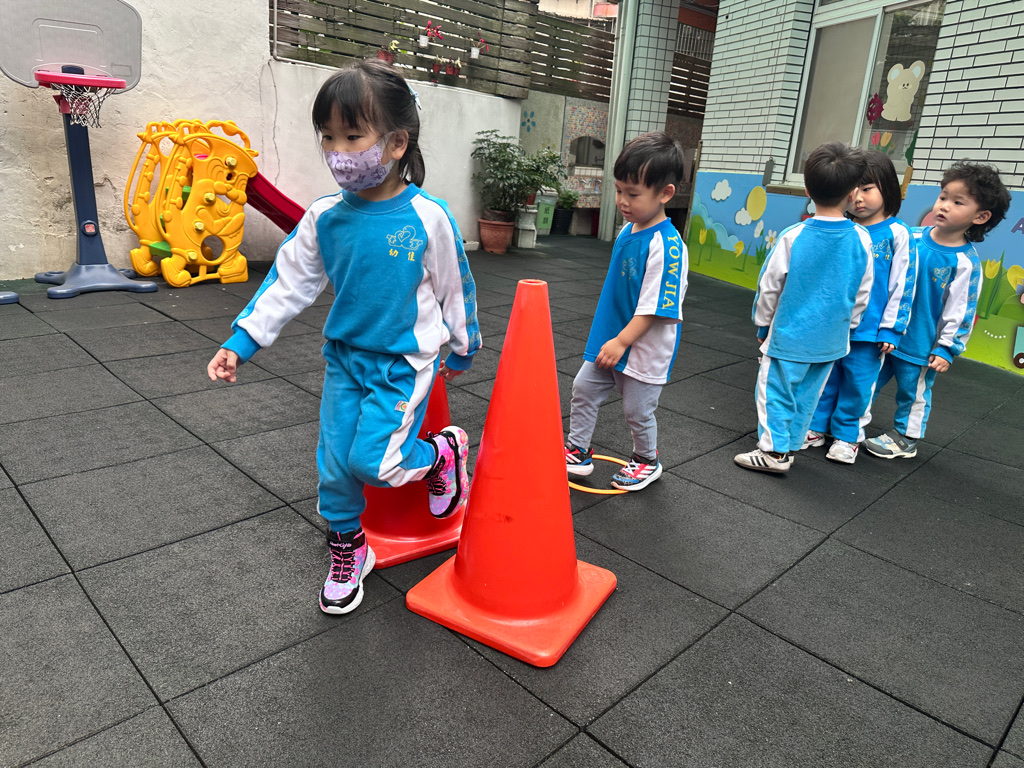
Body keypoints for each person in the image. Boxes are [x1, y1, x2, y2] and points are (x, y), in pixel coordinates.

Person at [206, 59, 481, 615]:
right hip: (345, 361)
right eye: (328, 137)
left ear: (397, 143)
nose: (337, 152)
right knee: (334, 465)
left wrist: (463, 345)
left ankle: (442, 453)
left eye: (353, 137)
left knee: (376, 464)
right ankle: (350, 549)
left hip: (403, 363)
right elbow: (288, 283)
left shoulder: (428, 217)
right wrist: (241, 342)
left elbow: (456, 286)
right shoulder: (325, 217)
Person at [734, 142, 873, 474]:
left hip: (789, 336)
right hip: (832, 340)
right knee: (808, 395)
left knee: (774, 392)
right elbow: (862, 291)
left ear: (807, 190)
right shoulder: (862, 238)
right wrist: (849, 325)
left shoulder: (793, 236)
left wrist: (763, 324)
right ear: (853, 193)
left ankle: (774, 452)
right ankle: (790, 446)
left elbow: (769, 287)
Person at [564, 131, 688, 491]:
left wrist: (621, 342)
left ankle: (647, 460)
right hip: (612, 341)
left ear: (665, 193)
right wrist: (613, 339)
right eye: (619, 190)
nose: (622, 201)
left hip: (642, 350)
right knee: (583, 388)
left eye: (633, 194)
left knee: (637, 410)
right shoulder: (628, 230)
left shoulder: (668, 247)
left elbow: (654, 309)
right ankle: (578, 450)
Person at [863, 160, 1010, 459]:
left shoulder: (965, 263)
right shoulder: (912, 237)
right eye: (943, 196)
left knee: (913, 391)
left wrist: (946, 348)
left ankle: (906, 438)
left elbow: (961, 311)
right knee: (866, 380)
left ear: (980, 216)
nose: (943, 205)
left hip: (920, 342)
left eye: (957, 202)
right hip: (886, 331)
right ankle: (848, 423)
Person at [804, 151, 917, 464]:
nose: (858, 198)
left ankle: (847, 437)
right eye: (853, 190)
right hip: (836, 325)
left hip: (871, 330)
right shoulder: (845, 229)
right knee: (825, 378)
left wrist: (892, 328)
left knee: (858, 384)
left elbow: (903, 284)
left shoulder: (898, 233)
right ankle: (816, 427)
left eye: (867, 189)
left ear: (888, 188)